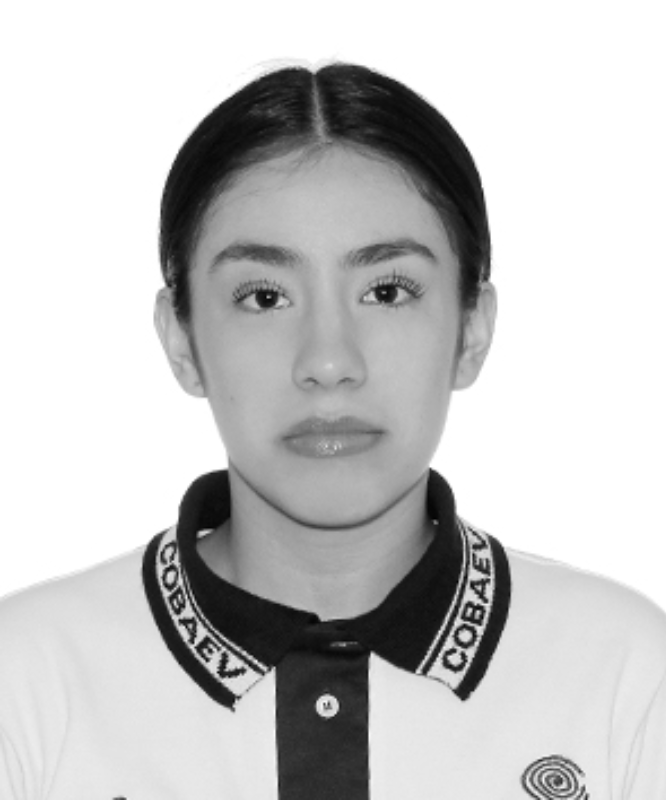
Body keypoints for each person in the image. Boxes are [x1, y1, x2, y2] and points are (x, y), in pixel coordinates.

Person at [1, 61, 665, 800]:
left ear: (472, 330)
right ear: (181, 340)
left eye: (387, 291)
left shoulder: (626, 679)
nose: (327, 362)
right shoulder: (25, 685)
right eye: (264, 297)